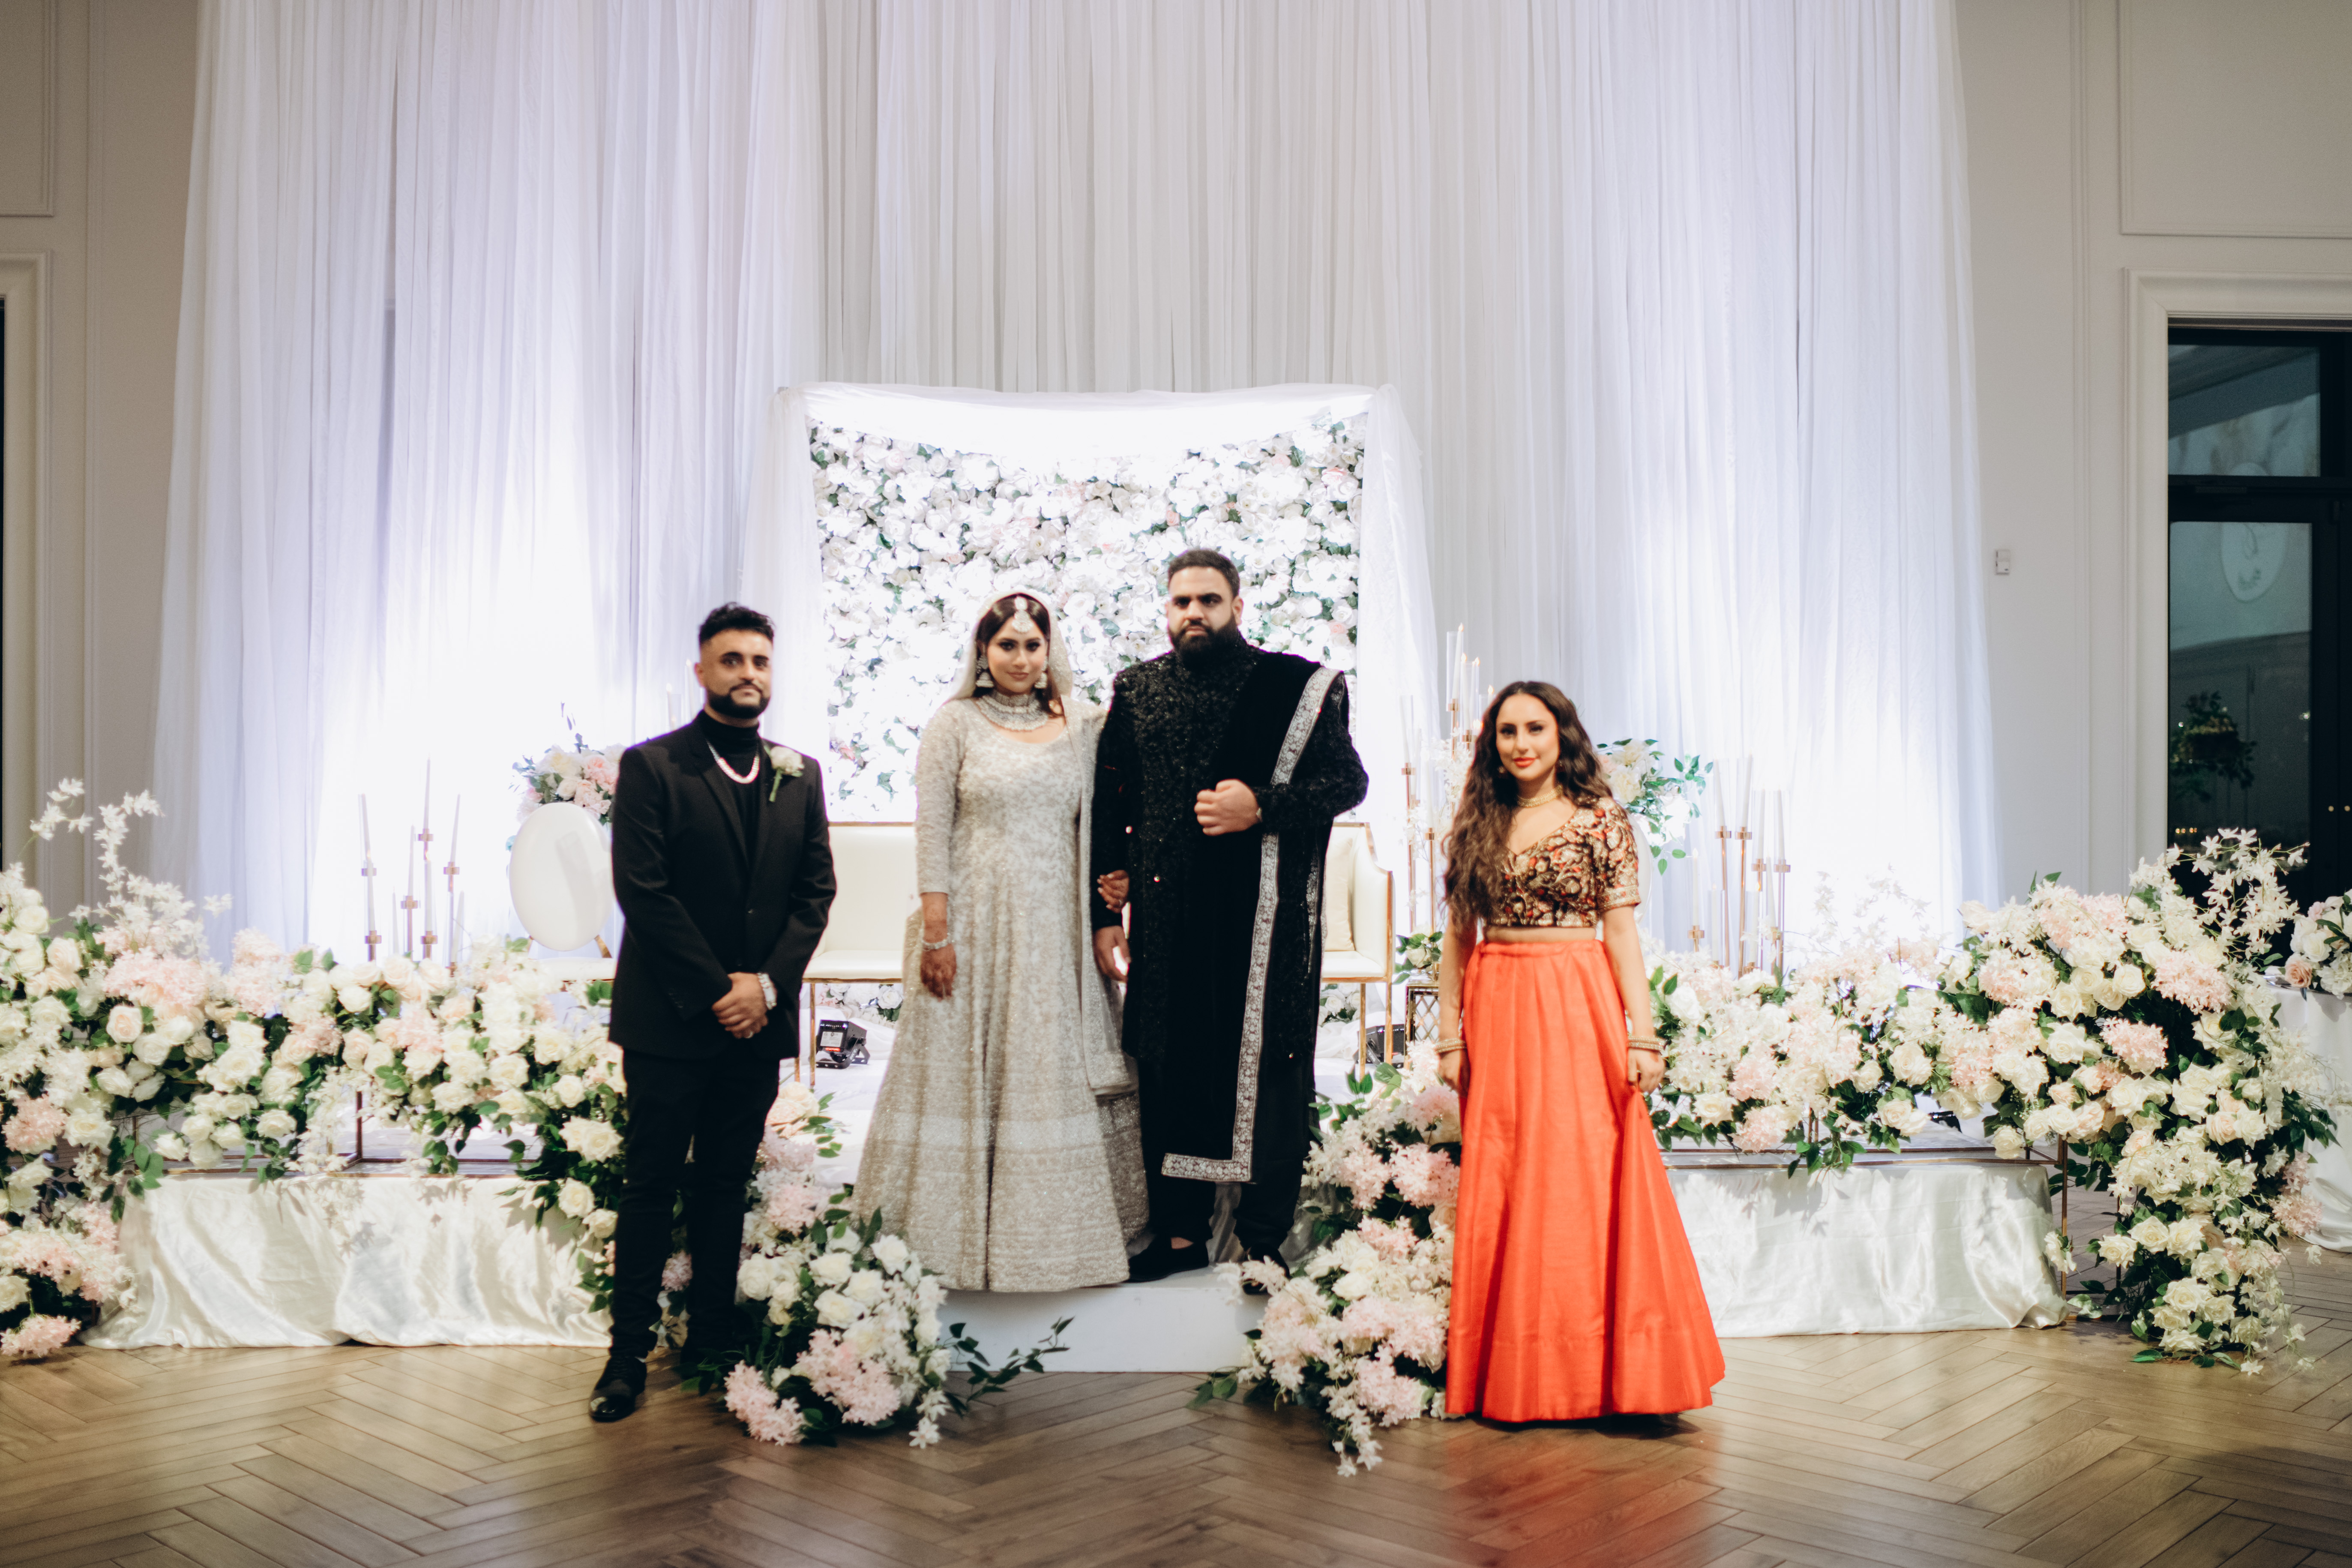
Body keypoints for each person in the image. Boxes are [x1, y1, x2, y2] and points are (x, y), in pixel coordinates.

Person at [1436, 681, 1723, 1424]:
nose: (1521, 744)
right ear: (1492, 743)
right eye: (1507, 731)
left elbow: (1620, 933)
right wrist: (1448, 1034)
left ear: (1561, 734)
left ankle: (1620, 1375)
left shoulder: (1600, 818)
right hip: (1498, 1001)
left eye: (1535, 728)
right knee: (1509, 1174)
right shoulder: (1476, 819)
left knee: (1586, 1174)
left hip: (1575, 998)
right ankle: (1516, 1373)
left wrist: (1642, 1034)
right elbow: (1457, 938)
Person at [855, 593, 1148, 1289]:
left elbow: (1112, 819)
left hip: (1056, 933)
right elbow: (932, 829)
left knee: (1047, 1067)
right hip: (973, 930)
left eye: (1031, 645)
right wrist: (937, 935)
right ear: (983, 653)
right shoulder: (954, 723)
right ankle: (941, 1242)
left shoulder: (1084, 726)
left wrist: (1119, 881)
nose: (1020, 658)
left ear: (1050, 651)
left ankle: (1053, 1241)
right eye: (1006, 645)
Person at [1090, 549, 1367, 1282]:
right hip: (1166, 921)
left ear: (1237, 607)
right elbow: (1110, 802)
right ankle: (1179, 1234)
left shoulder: (1294, 687)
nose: (1194, 614)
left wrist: (1260, 807)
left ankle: (1261, 1237)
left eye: (1208, 601)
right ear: (1166, 609)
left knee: (1267, 1063)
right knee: (1166, 1066)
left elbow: (1347, 782)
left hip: (1262, 922)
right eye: (1181, 602)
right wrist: (1103, 907)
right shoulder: (1138, 689)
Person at [591, 603, 836, 1421]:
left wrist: (764, 987)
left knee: (726, 1185)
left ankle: (711, 1344)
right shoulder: (653, 766)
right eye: (731, 660)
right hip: (670, 1021)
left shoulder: (799, 773)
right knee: (651, 1185)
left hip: (755, 1025)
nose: (747, 674)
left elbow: (814, 893)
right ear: (701, 671)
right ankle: (626, 1357)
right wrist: (716, 990)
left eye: (759, 661)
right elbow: (644, 892)